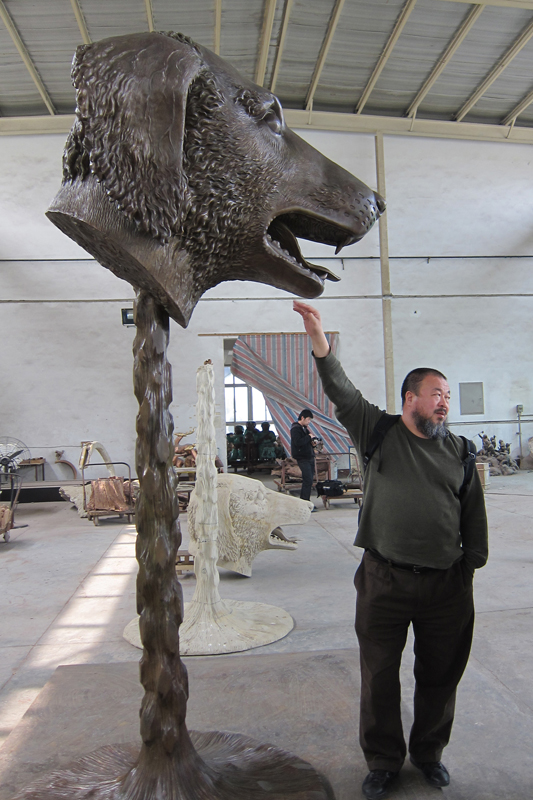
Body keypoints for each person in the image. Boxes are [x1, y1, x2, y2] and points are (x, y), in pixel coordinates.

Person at [293, 300, 488, 800]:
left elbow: (473, 517)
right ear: (410, 398)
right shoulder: (377, 431)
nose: (444, 402)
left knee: (440, 676)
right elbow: (339, 386)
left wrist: (468, 567)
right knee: (379, 675)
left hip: (446, 584)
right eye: (435, 394)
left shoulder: (460, 452)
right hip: (384, 579)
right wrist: (317, 334)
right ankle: (383, 760)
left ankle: (428, 755)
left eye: (447, 395)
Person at [290, 409, 316, 503]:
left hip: (309, 456)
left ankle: (306, 501)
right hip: (302, 457)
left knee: (309, 480)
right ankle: (304, 502)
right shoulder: (295, 428)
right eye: (308, 419)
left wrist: (312, 443)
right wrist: (309, 437)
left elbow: (306, 440)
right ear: (302, 418)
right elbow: (298, 442)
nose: (309, 422)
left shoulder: (304, 428)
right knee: (307, 479)